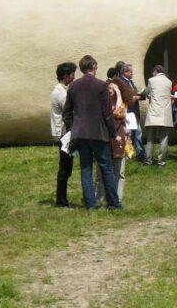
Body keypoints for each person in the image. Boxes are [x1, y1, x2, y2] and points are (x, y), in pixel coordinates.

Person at [62, 55, 121, 210]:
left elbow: (66, 113)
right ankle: (114, 204)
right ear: (93, 66)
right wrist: (113, 133)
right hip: (98, 132)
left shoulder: (73, 86)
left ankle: (90, 205)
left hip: (80, 133)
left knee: (86, 169)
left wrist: (73, 128)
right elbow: (107, 113)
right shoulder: (101, 85)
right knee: (106, 168)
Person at [97, 68, 129, 205]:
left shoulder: (122, 104)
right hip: (105, 138)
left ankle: (117, 197)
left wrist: (119, 94)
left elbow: (119, 113)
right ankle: (99, 197)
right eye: (109, 89)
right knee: (100, 171)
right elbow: (110, 115)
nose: (111, 91)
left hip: (119, 140)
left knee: (119, 172)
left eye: (114, 89)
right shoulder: (102, 104)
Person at [51, 61, 76, 207]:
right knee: (65, 169)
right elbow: (70, 110)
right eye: (72, 75)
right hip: (63, 134)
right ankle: (61, 200)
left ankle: (62, 199)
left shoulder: (62, 90)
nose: (74, 77)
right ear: (66, 76)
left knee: (66, 168)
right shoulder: (61, 93)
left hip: (63, 133)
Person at [115, 62, 147, 164]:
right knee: (133, 134)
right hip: (128, 112)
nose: (132, 73)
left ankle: (136, 154)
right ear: (124, 72)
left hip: (134, 111)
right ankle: (138, 155)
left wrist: (140, 95)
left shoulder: (130, 82)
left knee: (135, 134)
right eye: (130, 72)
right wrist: (137, 97)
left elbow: (132, 94)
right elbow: (127, 97)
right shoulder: (120, 82)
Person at [143, 65, 172, 166]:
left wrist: (148, 95)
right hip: (165, 113)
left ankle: (148, 160)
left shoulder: (151, 80)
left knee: (150, 138)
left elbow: (146, 93)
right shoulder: (169, 82)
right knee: (163, 139)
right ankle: (161, 161)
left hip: (154, 112)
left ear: (156, 71)